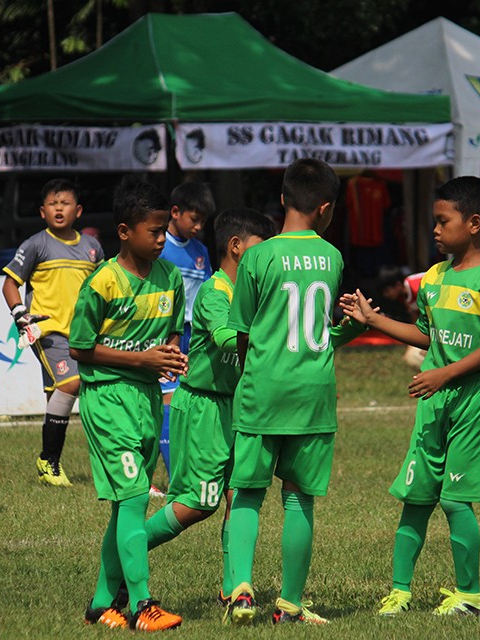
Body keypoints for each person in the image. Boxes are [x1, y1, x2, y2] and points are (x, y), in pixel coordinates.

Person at [344, 176, 480, 618]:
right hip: (435, 402)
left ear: (474, 223)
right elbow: (425, 334)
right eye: (434, 222)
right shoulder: (435, 277)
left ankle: (471, 596)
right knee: (417, 497)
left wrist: (443, 374)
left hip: (477, 401)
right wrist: (373, 321)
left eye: (443, 221)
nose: (435, 230)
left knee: (456, 499)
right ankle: (399, 592)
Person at [223, 158, 366, 626]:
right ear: (326, 208)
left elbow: (241, 330)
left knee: (246, 492)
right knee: (298, 496)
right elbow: (321, 330)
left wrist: (253, 373)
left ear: (283, 198)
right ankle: (289, 603)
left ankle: (241, 591)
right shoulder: (332, 258)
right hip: (314, 393)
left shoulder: (258, 257)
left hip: (264, 387)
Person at [68, 177, 187, 632]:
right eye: (153, 231)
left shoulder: (170, 276)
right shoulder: (103, 282)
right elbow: (80, 347)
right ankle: (142, 605)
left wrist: (172, 352)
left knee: (124, 507)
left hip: (145, 399)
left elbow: (174, 328)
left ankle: (100, 605)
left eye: (164, 230)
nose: (161, 240)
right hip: (108, 400)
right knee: (137, 496)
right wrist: (142, 358)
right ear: (124, 231)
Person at [143, 208, 275, 604]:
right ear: (236, 247)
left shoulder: (257, 294)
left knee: (241, 496)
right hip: (205, 408)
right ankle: (123, 554)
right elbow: (225, 337)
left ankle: (235, 589)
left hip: (242, 408)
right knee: (195, 506)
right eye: (260, 250)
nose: (267, 260)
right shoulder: (214, 292)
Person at [2, 178, 104, 487]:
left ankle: (50, 466)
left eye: (66, 203)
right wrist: (20, 314)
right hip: (48, 331)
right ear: (42, 211)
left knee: (56, 396)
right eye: (52, 204)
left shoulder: (91, 247)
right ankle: (49, 460)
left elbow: (102, 288)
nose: (59, 208)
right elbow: (10, 283)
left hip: (83, 334)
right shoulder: (35, 244)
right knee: (72, 384)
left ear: (79, 210)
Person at [155, 181, 215, 496]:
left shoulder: (200, 251)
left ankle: (177, 474)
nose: (198, 226)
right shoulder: (158, 246)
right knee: (167, 400)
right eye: (194, 218)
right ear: (175, 212)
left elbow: (207, 293)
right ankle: (174, 480)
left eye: (203, 220)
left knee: (186, 403)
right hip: (167, 334)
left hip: (195, 335)